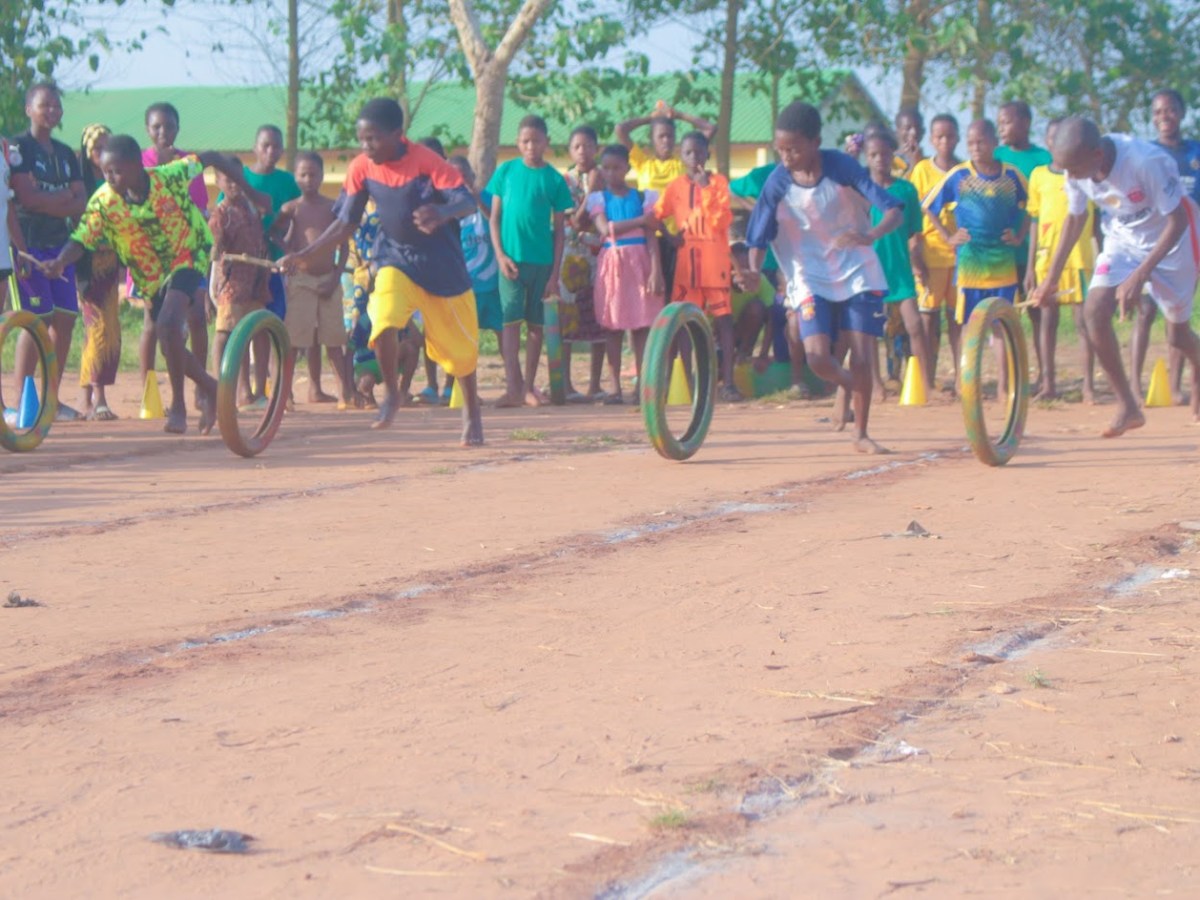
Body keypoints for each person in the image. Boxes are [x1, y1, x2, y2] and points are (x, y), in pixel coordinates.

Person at [276, 98, 484, 445]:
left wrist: (441, 213)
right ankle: (391, 395)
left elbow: (466, 201)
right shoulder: (362, 167)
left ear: (398, 135)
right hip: (395, 259)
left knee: (460, 351)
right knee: (383, 319)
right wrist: (305, 253)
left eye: (373, 139)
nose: (365, 146)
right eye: (361, 139)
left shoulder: (426, 162)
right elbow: (345, 222)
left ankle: (472, 413)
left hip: (442, 268)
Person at [43, 135, 270, 434]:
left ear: (138, 166)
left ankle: (178, 406)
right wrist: (60, 261)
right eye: (106, 171)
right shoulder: (103, 201)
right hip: (149, 273)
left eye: (117, 171)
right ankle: (210, 387)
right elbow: (80, 239)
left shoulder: (169, 176)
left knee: (168, 324)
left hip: (189, 253)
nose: (110, 178)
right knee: (170, 338)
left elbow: (213, 153)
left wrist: (253, 194)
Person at [745, 101, 903, 454]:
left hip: (857, 269)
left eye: (795, 149)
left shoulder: (842, 166)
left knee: (862, 355)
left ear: (816, 142)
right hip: (809, 274)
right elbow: (757, 236)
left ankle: (861, 434)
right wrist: (754, 272)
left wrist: (871, 235)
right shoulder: (776, 182)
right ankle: (849, 385)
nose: (787, 157)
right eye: (781, 150)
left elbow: (892, 208)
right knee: (817, 358)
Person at [1029, 117, 1200, 435]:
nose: (1071, 177)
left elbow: (1177, 221)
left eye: (1076, 170)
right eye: (1066, 170)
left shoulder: (1145, 162)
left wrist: (1140, 275)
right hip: (1124, 240)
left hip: (1174, 242)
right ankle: (1128, 406)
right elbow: (1075, 218)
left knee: (1178, 336)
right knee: (1094, 312)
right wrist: (1051, 278)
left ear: (1097, 155)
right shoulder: (1075, 167)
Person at [9, 83, 87, 420]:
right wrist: (61, 201)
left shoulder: (66, 153)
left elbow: (82, 203)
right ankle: (23, 400)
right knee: (35, 321)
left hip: (62, 245)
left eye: (56, 106)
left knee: (65, 319)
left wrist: (49, 201)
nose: (52, 111)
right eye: (44, 106)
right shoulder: (18, 148)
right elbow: (27, 199)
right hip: (29, 244)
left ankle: (50, 399)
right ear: (29, 109)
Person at [487, 114, 573, 408]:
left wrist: (554, 275)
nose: (531, 146)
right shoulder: (505, 172)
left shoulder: (554, 180)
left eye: (536, 141)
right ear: (517, 143)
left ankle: (527, 387)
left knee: (536, 326)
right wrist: (499, 255)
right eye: (525, 141)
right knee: (510, 322)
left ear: (546, 142)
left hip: (542, 263)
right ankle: (512, 386)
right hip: (510, 262)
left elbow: (560, 231)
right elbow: (494, 219)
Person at [654, 131, 740, 400]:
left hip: (715, 260)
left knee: (723, 321)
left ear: (708, 154)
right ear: (681, 156)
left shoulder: (718, 183)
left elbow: (720, 221)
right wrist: (669, 237)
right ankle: (688, 384)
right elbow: (656, 215)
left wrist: (705, 189)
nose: (694, 158)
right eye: (688, 153)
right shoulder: (675, 187)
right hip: (686, 264)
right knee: (683, 322)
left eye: (699, 152)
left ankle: (727, 383)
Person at [923, 119, 1027, 336]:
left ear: (994, 143)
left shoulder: (1011, 175)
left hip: (1003, 264)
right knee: (970, 326)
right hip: (971, 264)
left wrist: (1019, 236)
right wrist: (949, 237)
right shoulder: (959, 175)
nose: (975, 148)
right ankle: (968, 371)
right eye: (971, 143)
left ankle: (1005, 371)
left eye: (981, 142)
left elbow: (1033, 207)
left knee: (1003, 326)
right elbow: (927, 206)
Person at [139, 101, 211, 398]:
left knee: (196, 317)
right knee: (153, 322)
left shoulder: (189, 163)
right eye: (156, 126)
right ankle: (149, 392)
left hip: (187, 251)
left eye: (169, 126)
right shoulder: (139, 162)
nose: (163, 132)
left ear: (177, 129)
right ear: (147, 130)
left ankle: (200, 388)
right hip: (150, 253)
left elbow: (199, 208)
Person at [1131, 89, 1200, 401]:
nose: (1164, 118)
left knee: (1179, 316)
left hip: (1189, 244)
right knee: (1145, 312)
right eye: (1158, 112)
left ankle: (1175, 386)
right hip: (1155, 241)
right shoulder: (1148, 153)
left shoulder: (1195, 152)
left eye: (1170, 110)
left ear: (1182, 113)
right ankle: (1133, 386)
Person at [1023, 117, 1097, 402]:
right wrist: (1030, 267)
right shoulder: (1039, 175)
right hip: (1046, 259)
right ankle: (1048, 383)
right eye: (1052, 138)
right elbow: (1033, 220)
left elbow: (1094, 217)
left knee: (1083, 322)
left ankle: (1088, 386)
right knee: (1047, 321)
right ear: (1048, 142)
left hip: (1078, 258)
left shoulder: (1085, 175)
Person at [586, 144, 665, 400]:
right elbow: (604, 228)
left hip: (640, 262)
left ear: (627, 169)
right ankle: (615, 387)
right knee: (613, 326)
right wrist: (641, 221)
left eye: (617, 168)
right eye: (606, 168)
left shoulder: (643, 197)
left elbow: (651, 235)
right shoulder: (598, 199)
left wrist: (656, 271)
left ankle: (642, 383)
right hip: (614, 264)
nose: (611, 173)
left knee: (641, 326)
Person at [273, 151, 350, 408]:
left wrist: (336, 277)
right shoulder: (291, 208)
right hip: (301, 281)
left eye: (313, 174)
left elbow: (344, 245)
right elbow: (273, 233)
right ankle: (285, 395)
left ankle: (345, 395)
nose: (308, 179)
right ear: (295, 177)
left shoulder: (333, 207)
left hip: (329, 281)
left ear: (322, 175)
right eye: (303, 174)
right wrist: (289, 257)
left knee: (334, 341)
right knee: (295, 341)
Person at [617, 103, 717, 297]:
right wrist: (651, 118)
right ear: (653, 140)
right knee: (649, 294)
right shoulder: (643, 163)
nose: (666, 141)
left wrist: (678, 114)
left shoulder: (683, 163)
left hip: (678, 239)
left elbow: (709, 129)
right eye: (661, 136)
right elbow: (621, 129)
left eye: (670, 136)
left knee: (675, 294)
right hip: (649, 238)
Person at [863, 129, 934, 395]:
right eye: (873, 154)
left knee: (915, 325)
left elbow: (914, 234)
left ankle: (925, 383)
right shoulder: (860, 190)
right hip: (870, 271)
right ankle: (876, 384)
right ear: (866, 157)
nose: (879, 159)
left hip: (901, 270)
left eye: (884, 153)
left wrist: (920, 264)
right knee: (870, 331)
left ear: (893, 155)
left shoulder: (906, 190)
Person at [731, 159, 808, 397]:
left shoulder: (811, 174)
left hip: (797, 261)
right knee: (773, 311)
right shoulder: (762, 175)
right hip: (765, 262)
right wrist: (754, 207)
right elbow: (727, 193)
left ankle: (793, 367)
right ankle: (745, 359)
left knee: (789, 314)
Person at [560, 125, 617, 402]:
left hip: (600, 256)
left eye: (588, 146)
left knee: (599, 318)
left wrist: (597, 187)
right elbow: (574, 221)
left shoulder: (607, 178)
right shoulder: (566, 181)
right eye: (577, 147)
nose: (583, 151)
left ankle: (595, 383)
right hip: (571, 257)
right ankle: (567, 384)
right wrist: (591, 191)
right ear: (570, 151)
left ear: (597, 148)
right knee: (568, 317)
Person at [996, 100, 1052, 381]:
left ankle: (1045, 374)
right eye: (999, 123)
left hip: (1034, 253)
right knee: (1006, 315)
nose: (1001, 128)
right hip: (1003, 253)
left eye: (1006, 122)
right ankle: (1013, 377)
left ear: (1025, 123)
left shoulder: (1044, 159)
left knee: (1038, 314)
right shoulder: (996, 157)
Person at [208, 167, 271, 407]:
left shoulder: (251, 208)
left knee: (254, 331)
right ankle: (221, 390)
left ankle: (253, 392)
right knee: (226, 333)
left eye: (238, 180)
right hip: (232, 282)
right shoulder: (220, 214)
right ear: (218, 182)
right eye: (228, 180)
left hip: (256, 280)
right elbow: (215, 250)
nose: (234, 185)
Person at [908, 113, 962, 389]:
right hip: (931, 255)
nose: (945, 141)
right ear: (931, 139)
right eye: (939, 136)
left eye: (950, 136)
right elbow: (914, 218)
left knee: (958, 319)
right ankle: (927, 381)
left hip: (961, 257)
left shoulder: (966, 170)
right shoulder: (921, 171)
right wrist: (915, 257)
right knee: (928, 320)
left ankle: (961, 377)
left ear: (958, 138)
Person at [76, 124, 123, 420]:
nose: (101, 153)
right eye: (97, 149)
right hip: (87, 266)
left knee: (109, 329)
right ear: (88, 152)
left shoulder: (114, 181)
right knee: (97, 331)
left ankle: (86, 399)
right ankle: (99, 398)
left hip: (110, 265)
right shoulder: (80, 182)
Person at [447, 154, 503, 353]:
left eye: (464, 176)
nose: (461, 182)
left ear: (473, 175)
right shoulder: (447, 207)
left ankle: (515, 380)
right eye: (454, 177)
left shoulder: (487, 198)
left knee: (503, 332)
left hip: (493, 282)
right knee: (462, 337)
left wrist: (478, 200)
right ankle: (452, 383)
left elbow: (497, 222)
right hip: (464, 285)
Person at [893, 107, 925, 177]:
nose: (913, 132)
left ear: (923, 131)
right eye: (907, 128)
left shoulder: (930, 163)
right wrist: (915, 164)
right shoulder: (888, 161)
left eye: (917, 128)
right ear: (897, 132)